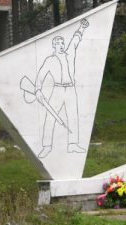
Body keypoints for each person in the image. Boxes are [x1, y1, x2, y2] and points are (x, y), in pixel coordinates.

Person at [35, 19, 89, 158]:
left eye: (62, 43)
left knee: (73, 116)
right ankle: (46, 146)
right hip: (58, 90)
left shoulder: (69, 53)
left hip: (71, 89)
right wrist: (38, 90)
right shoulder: (49, 60)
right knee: (50, 118)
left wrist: (82, 28)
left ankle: (73, 145)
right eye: (58, 43)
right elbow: (40, 76)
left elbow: (76, 39)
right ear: (54, 46)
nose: (61, 45)